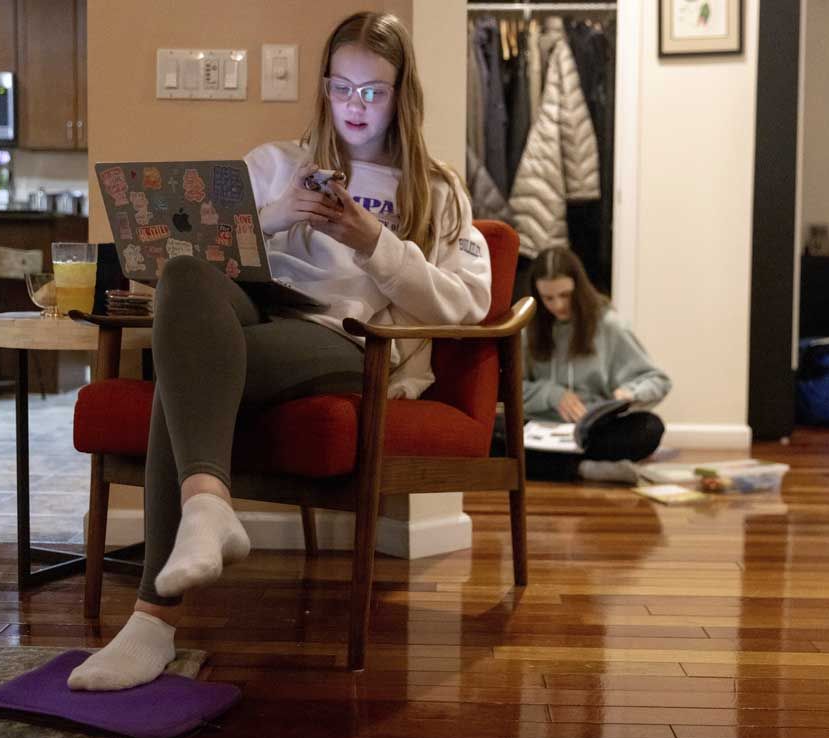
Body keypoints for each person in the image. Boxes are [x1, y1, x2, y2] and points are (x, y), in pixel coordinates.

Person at [67, 11, 491, 691]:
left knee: (186, 377)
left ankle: (151, 622)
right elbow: (199, 263)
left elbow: (467, 306)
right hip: (256, 311)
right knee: (182, 273)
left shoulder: (435, 188)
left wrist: (371, 243)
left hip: (343, 341)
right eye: (343, 88)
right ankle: (209, 505)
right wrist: (278, 216)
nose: (356, 106)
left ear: (401, 94)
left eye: (373, 91)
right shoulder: (276, 164)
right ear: (324, 87)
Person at [521, 247, 670, 482]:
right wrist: (551, 394)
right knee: (491, 440)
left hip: (592, 431)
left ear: (579, 289)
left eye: (565, 295)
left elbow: (658, 380)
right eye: (548, 298)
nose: (558, 305)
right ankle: (586, 469)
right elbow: (510, 388)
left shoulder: (609, 325)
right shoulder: (528, 329)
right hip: (541, 428)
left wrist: (630, 392)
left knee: (650, 428)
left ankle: (562, 468)